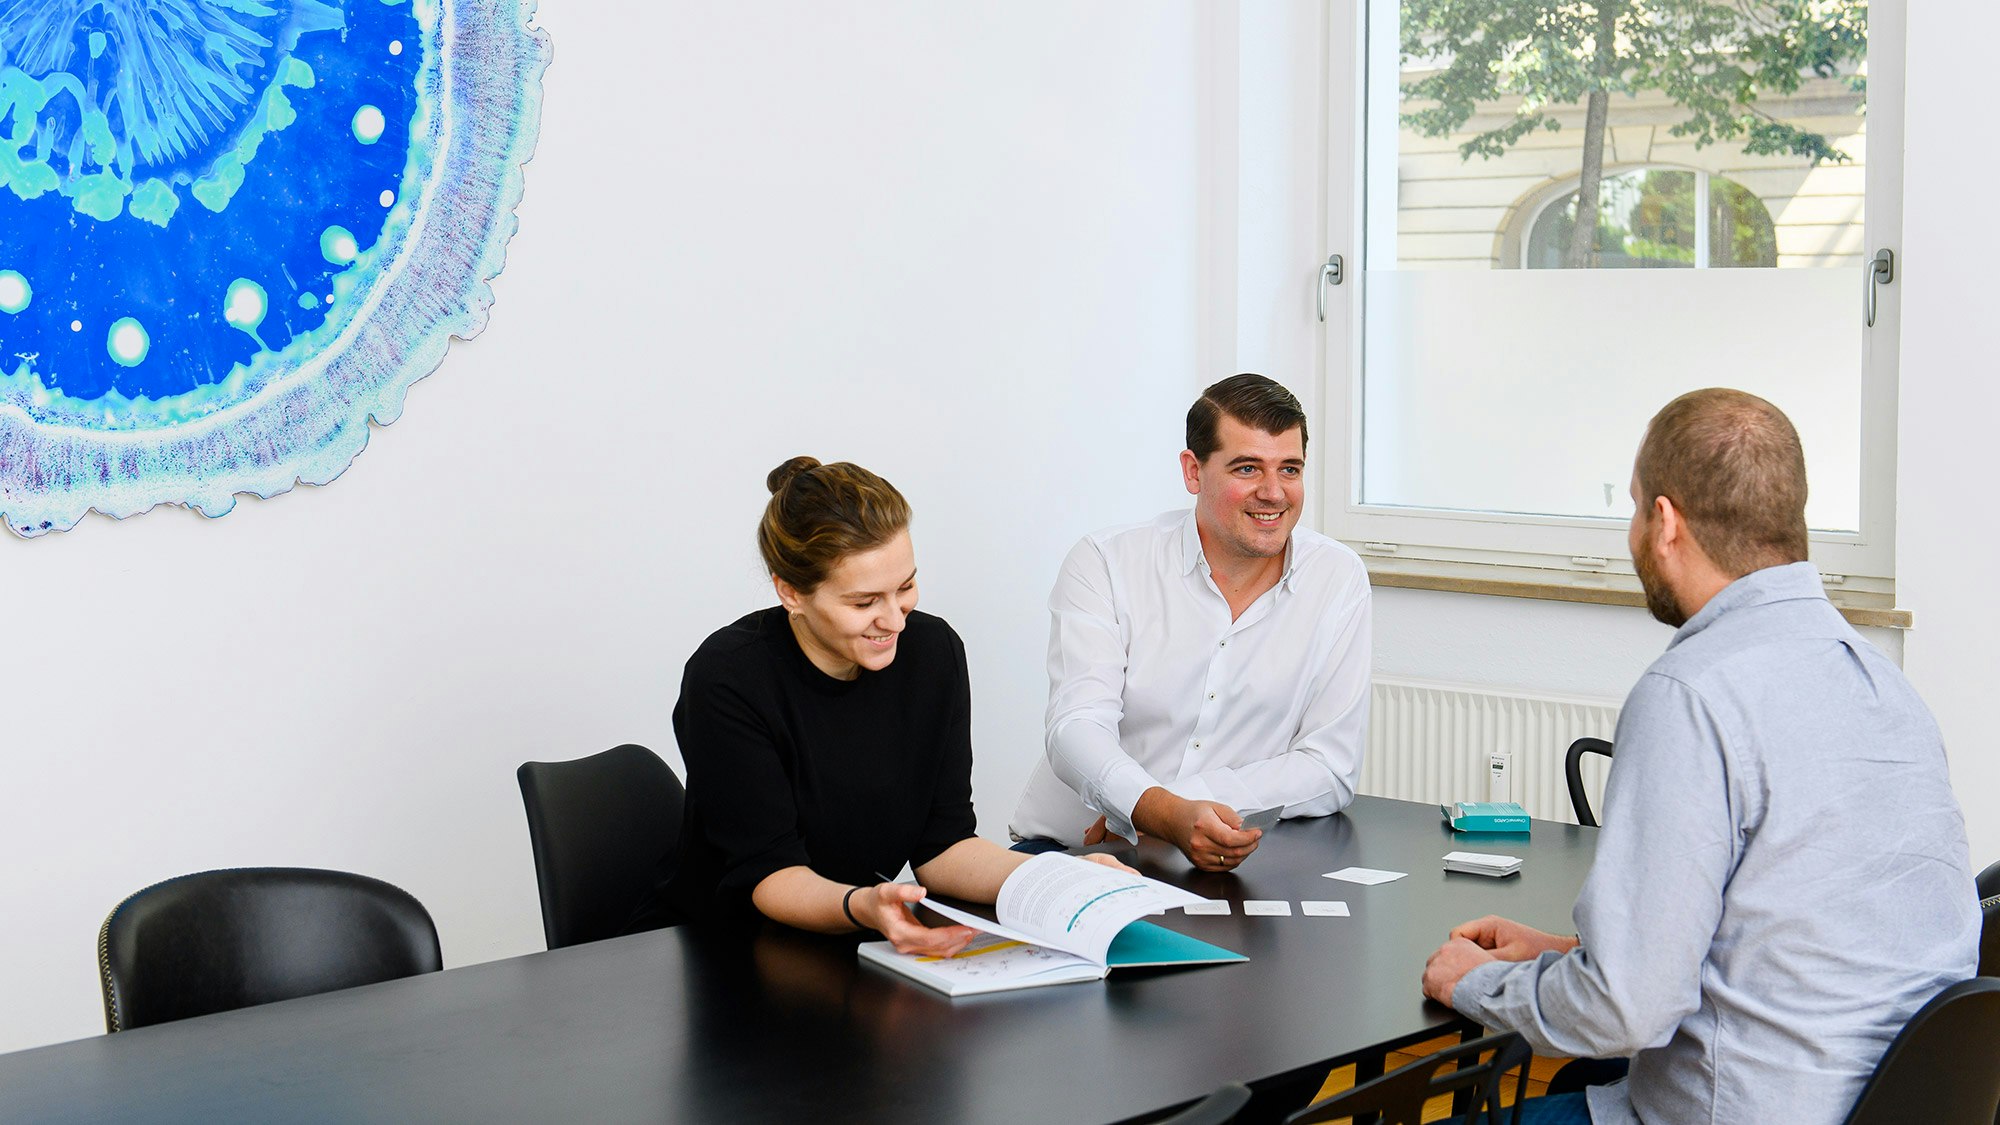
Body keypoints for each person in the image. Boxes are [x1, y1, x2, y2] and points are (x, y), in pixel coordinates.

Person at [1419, 389, 1980, 1125]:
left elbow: (1626, 1011)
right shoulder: (1883, 685)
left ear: (1665, 520)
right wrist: (1562, 954)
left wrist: (1477, 983)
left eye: (1633, 508)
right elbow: (1794, 942)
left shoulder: (1692, 692)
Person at [625, 456, 1128, 952]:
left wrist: (1057, 876)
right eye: (864, 603)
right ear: (791, 592)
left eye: (905, 586)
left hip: (850, 938)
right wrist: (862, 906)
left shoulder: (934, 654)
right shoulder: (728, 678)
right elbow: (769, 873)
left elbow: (944, 846)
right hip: (721, 948)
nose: (896, 620)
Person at [1009, 373, 1372, 871]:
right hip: (1071, 850)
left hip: (1219, 861)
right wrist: (1156, 812)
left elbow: (1329, 766)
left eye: (1290, 469)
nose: (1274, 493)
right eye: (1247, 468)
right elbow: (1076, 726)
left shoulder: (1337, 578)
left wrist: (1160, 809)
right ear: (1193, 472)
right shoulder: (1106, 562)